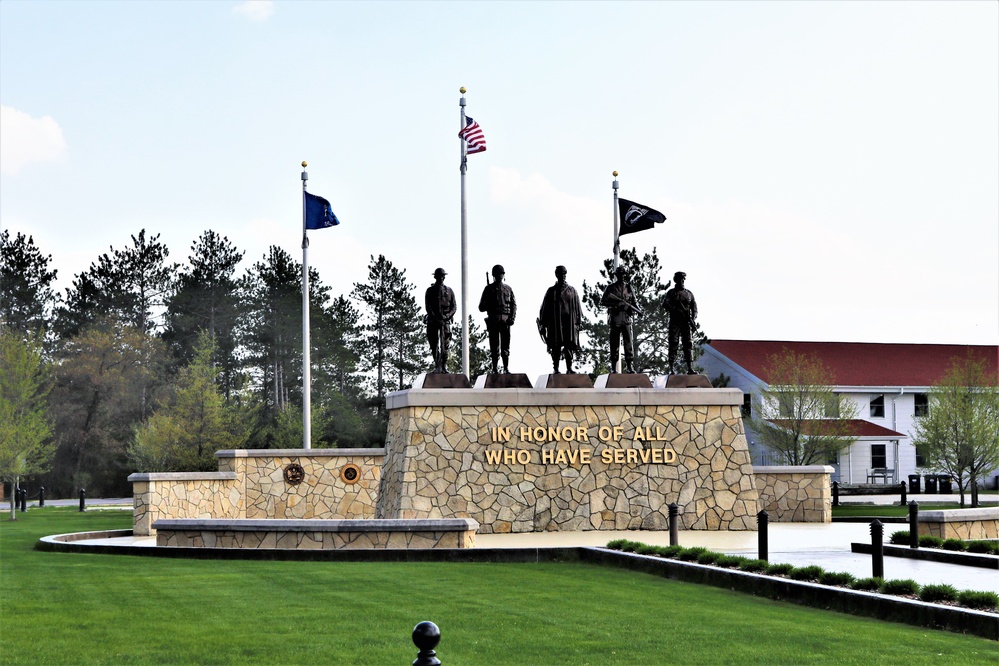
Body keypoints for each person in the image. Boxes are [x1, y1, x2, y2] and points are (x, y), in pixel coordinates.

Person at [538, 265, 582, 374]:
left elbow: (578, 308)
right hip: (555, 322)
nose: (563, 276)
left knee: (569, 345)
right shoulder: (551, 291)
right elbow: (545, 308)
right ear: (556, 275)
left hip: (569, 322)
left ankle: (569, 367)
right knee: (556, 345)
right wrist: (542, 324)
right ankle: (556, 368)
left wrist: (579, 322)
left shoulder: (572, 291)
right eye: (560, 274)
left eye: (564, 274)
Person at [600, 265, 641, 373]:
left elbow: (634, 303)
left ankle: (629, 366)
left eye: (623, 274)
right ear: (617, 275)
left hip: (626, 319)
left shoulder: (629, 288)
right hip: (615, 319)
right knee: (614, 344)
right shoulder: (611, 288)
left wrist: (638, 310)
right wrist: (616, 305)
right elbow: (603, 302)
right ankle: (614, 367)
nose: (621, 276)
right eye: (619, 274)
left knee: (628, 343)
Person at [478, 264, 516, 374]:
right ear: (494, 275)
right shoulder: (488, 289)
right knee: (494, 346)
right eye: (497, 274)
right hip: (493, 319)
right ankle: (494, 368)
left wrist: (512, 318)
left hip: (505, 320)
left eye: (501, 274)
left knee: (505, 346)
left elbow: (513, 305)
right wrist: (489, 303)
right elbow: (481, 307)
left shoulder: (508, 289)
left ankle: (506, 368)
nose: (499, 276)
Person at [662, 270, 698, 374]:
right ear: (676, 280)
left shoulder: (689, 294)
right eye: (680, 279)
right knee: (673, 344)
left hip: (686, 322)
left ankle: (690, 367)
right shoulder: (671, 293)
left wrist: (693, 318)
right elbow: (665, 304)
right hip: (675, 322)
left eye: (683, 279)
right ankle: (671, 367)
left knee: (688, 344)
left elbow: (694, 308)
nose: (682, 281)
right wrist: (675, 310)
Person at [425, 268, 456, 374]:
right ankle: (437, 365)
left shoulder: (449, 291)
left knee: (445, 345)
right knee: (434, 344)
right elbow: (428, 307)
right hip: (433, 322)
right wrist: (436, 318)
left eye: (443, 276)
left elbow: (454, 307)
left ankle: (443, 366)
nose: (441, 278)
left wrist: (446, 316)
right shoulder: (430, 290)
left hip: (446, 322)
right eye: (439, 276)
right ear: (435, 277)